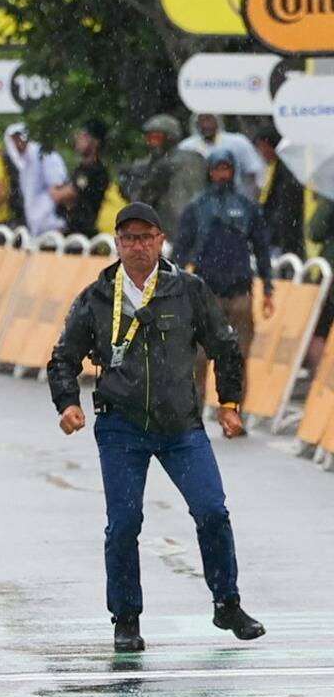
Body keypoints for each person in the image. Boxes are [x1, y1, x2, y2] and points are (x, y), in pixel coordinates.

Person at [47, 202, 263, 653]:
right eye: (129, 239)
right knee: (124, 524)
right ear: (117, 244)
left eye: (146, 237)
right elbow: (63, 357)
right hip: (120, 426)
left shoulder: (188, 290)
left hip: (180, 425)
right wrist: (67, 404)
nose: (138, 246)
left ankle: (228, 604)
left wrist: (229, 404)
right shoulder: (96, 297)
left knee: (212, 512)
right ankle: (126, 619)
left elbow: (225, 346)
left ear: (161, 240)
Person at [176, 147, 275, 398]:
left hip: (240, 290)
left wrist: (268, 287)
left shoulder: (247, 206)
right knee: (198, 356)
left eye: (226, 168)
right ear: (210, 172)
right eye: (217, 169)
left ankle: (234, 412)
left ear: (233, 170)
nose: (222, 174)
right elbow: (181, 250)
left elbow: (262, 249)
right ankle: (193, 413)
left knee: (236, 356)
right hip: (204, 291)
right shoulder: (197, 206)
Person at [3, 123, 75, 237]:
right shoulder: (23, 162)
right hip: (36, 227)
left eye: (18, 138)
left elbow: (58, 188)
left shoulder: (43, 154)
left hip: (53, 225)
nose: (17, 143)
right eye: (14, 139)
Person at [178, 112, 262, 202]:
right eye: (202, 120)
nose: (206, 124)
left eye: (209, 119)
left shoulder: (238, 142)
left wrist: (251, 200)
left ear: (217, 120)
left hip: (234, 198)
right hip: (199, 201)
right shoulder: (186, 146)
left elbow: (254, 171)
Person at [253, 125, 305, 258]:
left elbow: (286, 210)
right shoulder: (272, 168)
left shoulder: (286, 171)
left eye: (262, 146)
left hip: (283, 239)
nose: (261, 151)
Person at [64, 120, 114, 237]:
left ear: (95, 142)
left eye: (84, 136)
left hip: (86, 232)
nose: (79, 139)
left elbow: (68, 195)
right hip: (73, 228)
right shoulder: (80, 169)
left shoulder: (96, 171)